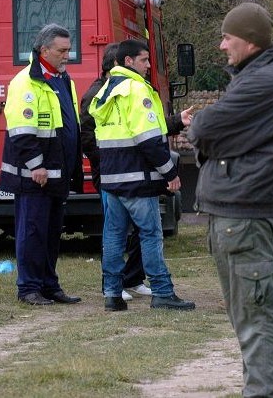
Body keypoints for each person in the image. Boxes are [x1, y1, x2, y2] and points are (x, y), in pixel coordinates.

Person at [186, 2, 273, 397]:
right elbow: (215, 133)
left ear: (250, 40)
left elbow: (204, 127)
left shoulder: (264, 83)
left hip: (247, 216)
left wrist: (212, 138)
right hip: (245, 213)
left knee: (257, 319)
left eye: (227, 37)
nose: (221, 46)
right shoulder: (260, 77)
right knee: (251, 317)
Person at [80, 43, 194, 302]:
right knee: (151, 235)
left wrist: (173, 121)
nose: (149, 65)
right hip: (138, 179)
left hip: (111, 179)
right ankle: (163, 292)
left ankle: (111, 293)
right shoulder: (137, 89)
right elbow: (148, 139)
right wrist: (169, 173)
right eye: (144, 60)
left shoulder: (105, 91)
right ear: (129, 61)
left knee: (113, 237)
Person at [0, 23, 83, 306]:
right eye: (62, 50)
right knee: (32, 232)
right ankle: (29, 288)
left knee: (50, 234)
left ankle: (49, 285)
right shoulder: (25, 82)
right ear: (44, 50)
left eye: (68, 50)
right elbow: (22, 133)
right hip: (35, 176)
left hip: (57, 175)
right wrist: (37, 166)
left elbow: (68, 125)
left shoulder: (62, 79)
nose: (67, 56)